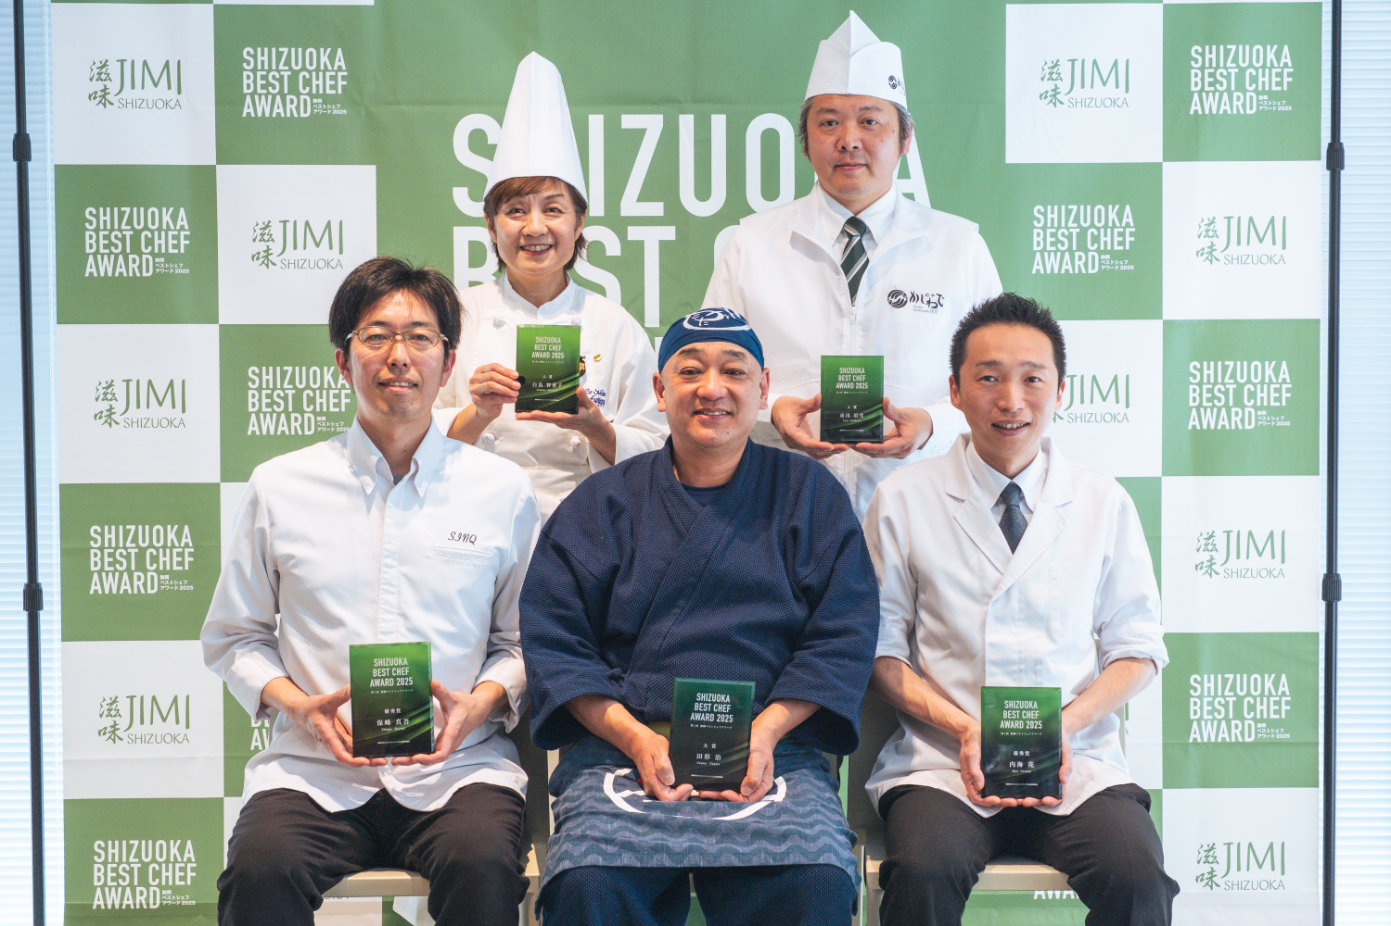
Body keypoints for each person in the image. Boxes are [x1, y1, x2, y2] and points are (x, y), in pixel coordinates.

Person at [203, 257, 541, 926]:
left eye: (420, 337)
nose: (398, 356)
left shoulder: (500, 490)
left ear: (447, 363)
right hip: (314, 771)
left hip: (458, 770)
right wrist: (300, 707)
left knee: (482, 867)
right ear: (343, 359)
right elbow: (234, 636)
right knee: (259, 872)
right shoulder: (280, 486)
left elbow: (523, 641)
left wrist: (478, 704)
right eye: (376, 336)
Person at [519, 308, 880, 926]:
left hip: (774, 749)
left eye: (733, 371)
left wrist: (766, 732)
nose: (712, 388)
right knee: (588, 884)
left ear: (763, 388)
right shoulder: (602, 501)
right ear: (660, 390)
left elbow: (842, 634)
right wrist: (634, 738)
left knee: (815, 881)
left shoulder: (809, 494)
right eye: (690, 372)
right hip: (622, 751)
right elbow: (557, 643)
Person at [863, 294, 1178, 926]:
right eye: (988, 378)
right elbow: (880, 652)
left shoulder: (1101, 501)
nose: (1011, 400)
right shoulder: (903, 498)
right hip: (941, 766)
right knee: (922, 873)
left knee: (1138, 878)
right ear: (954, 391)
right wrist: (965, 730)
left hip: (1074, 763)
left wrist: (1064, 726)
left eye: (1032, 379)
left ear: (1060, 390)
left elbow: (1138, 648)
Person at [704, 12, 1003, 519]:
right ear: (805, 142)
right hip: (778, 513)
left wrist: (931, 424)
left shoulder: (959, 247)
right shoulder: (751, 244)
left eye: (869, 121)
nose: (848, 139)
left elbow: (998, 382)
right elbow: (711, 371)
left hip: (925, 514)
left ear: (905, 138)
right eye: (828, 122)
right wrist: (771, 412)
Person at [438, 52, 666, 520]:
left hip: (590, 525)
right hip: (472, 520)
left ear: (579, 222)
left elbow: (659, 448)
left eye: (554, 209)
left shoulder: (614, 326)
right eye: (515, 210)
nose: (535, 227)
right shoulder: (454, 317)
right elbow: (409, 438)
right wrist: (477, 413)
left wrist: (596, 427)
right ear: (490, 225)